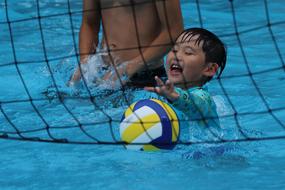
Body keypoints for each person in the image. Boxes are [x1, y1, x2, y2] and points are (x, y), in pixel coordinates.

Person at [69, 0, 184, 87]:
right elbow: (89, 23)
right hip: (102, 73)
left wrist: (132, 65)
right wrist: (85, 64)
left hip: (144, 77)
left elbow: (174, 31)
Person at [145, 28, 227, 140]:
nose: (177, 56)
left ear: (209, 69)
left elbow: (196, 104)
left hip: (207, 152)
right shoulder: (164, 92)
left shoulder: (203, 97)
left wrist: (176, 96)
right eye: (174, 50)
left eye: (188, 52)